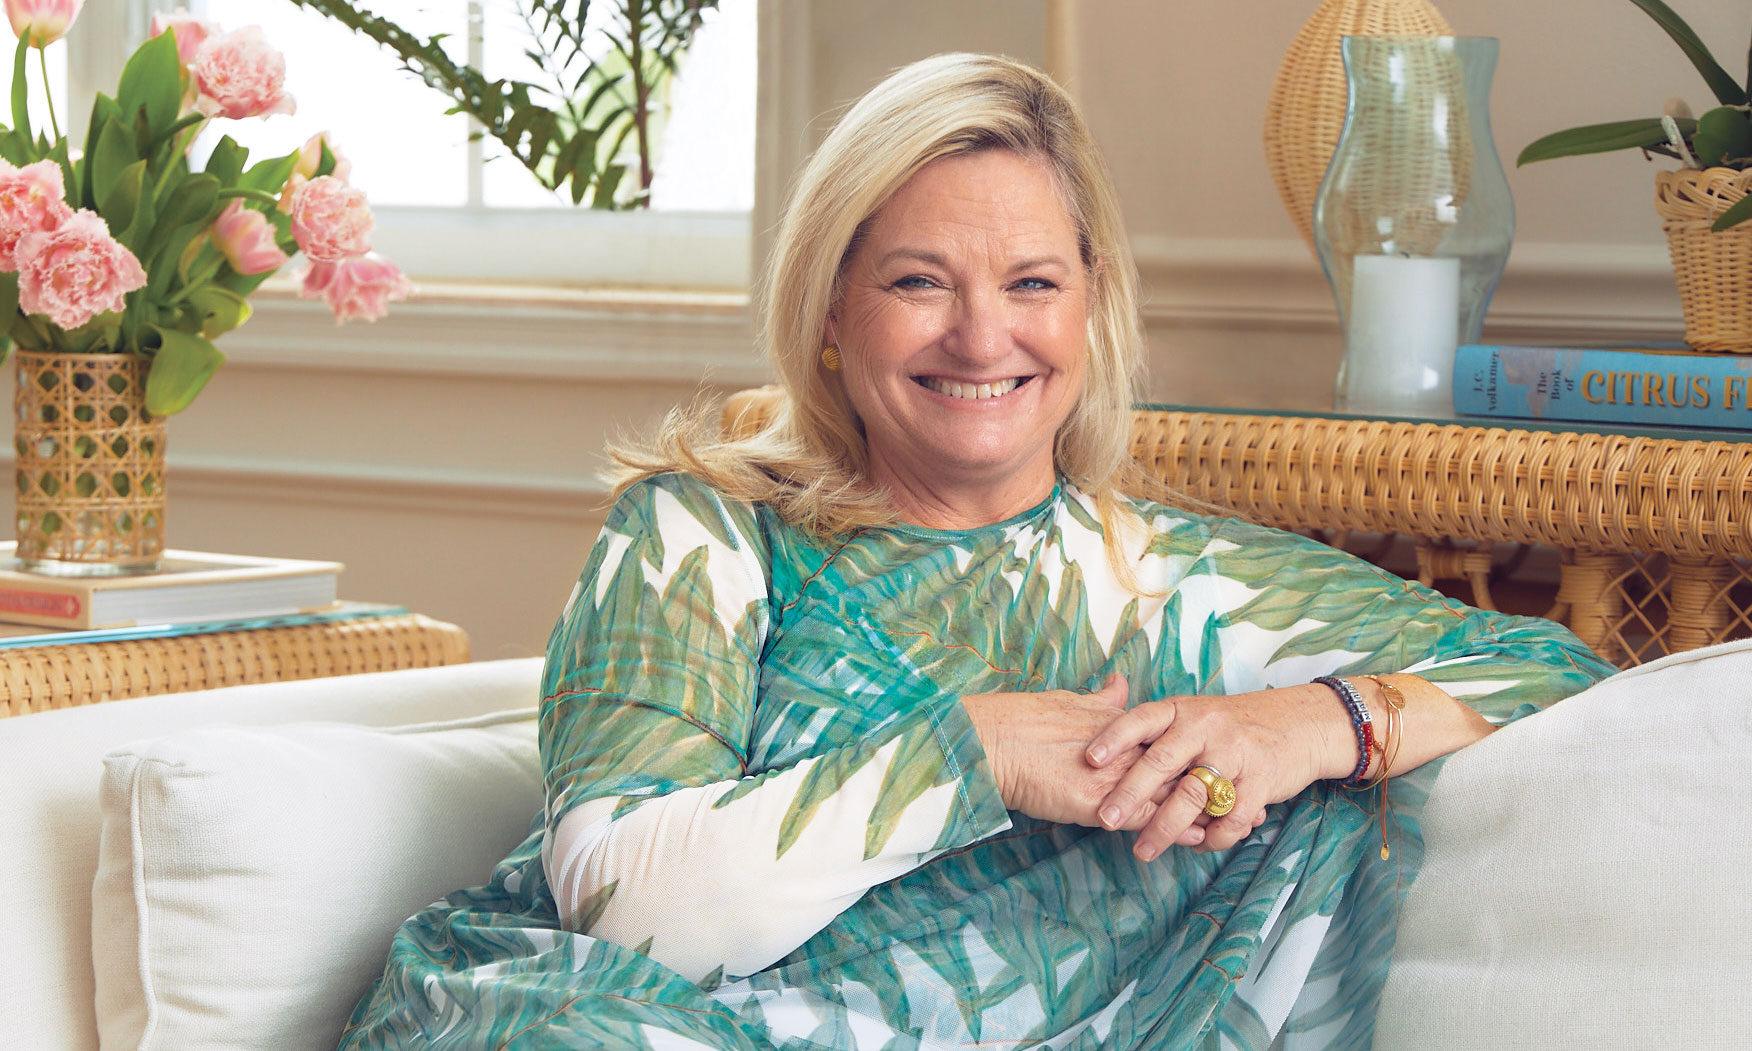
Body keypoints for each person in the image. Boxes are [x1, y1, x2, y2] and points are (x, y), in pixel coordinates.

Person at [340, 54, 1613, 1050]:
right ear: (830, 307)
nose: (981, 335)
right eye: (916, 282)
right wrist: (978, 753)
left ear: (1094, 302)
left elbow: (1562, 677)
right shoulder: (702, 531)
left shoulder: (1179, 579)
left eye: (1032, 284)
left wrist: (1307, 723)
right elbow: (629, 907)